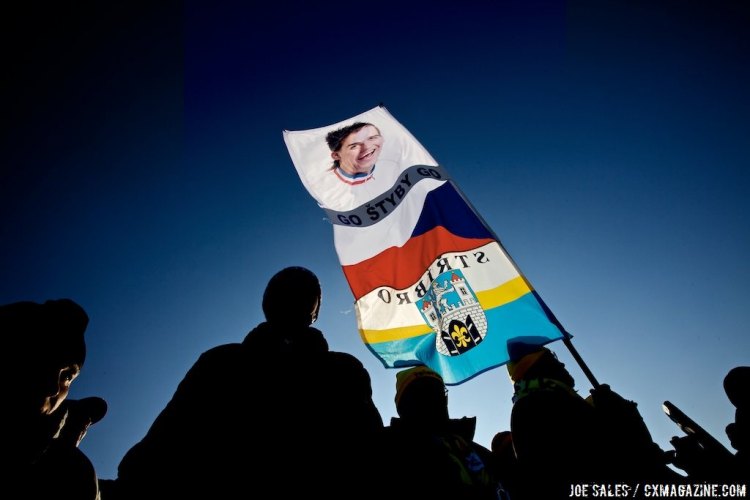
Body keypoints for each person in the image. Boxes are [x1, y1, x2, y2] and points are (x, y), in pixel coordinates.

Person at [103, 266, 384, 499]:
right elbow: (171, 430)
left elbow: (369, 448)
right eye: (284, 291)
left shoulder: (343, 370)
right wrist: (134, 474)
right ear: (267, 303)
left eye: (304, 293)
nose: (292, 298)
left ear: (315, 312)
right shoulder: (220, 362)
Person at [506, 338, 678, 498]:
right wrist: (622, 416)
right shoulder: (538, 405)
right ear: (538, 366)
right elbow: (607, 457)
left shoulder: (547, 401)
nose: (562, 363)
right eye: (553, 358)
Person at [1, 298, 105, 500]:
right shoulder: (70, 471)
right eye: (39, 358)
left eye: (67, 377)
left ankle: (67, 428)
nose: (50, 387)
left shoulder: (74, 471)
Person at [378, 365, 503, 500]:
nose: (432, 399)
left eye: (438, 392)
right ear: (404, 405)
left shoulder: (477, 452)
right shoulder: (385, 447)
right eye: (421, 393)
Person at [668, 365, 749, 481]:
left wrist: (735, 434)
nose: (733, 398)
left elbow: (741, 441)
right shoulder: (741, 411)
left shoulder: (743, 412)